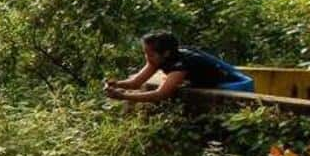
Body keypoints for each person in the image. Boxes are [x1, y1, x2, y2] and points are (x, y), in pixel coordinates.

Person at [105, 31, 255, 102]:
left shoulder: (180, 65)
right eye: (145, 53)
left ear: (165, 53)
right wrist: (115, 84)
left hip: (230, 85)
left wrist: (124, 96)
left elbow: (161, 94)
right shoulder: (159, 60)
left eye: (150, 54)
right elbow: (136, 82)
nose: (147, 58)